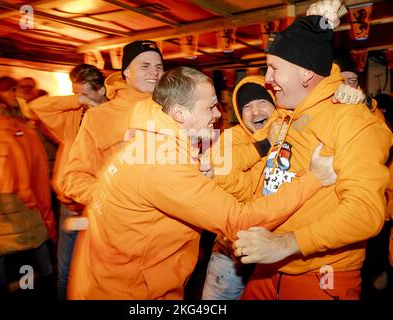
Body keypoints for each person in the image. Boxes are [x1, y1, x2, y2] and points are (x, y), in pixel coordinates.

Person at [67, 66, 337, 300]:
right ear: (180, 114)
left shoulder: (152, 138)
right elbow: (238, 222)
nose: (218, 114)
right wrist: (313, 179)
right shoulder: (163, 165)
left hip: (110, 279)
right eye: (209, 107)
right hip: (129, 290)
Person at [233, 15, 392, 300]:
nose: (266, 80)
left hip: (320, 275)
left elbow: (365, 212)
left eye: (273, 69)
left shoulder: (351, 119)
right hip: (268, 268)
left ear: (305, 73)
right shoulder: (286, 113)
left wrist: (288, 243)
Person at [0, 76, 57, 299]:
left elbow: (32, 157)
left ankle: (46, 283)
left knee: (36, 240)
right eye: (11, 90)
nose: (16, 95)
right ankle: (0, 291)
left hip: (25, 197)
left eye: (16, 90)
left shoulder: (19, 122)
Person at [27, 64, 107, 299]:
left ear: (102, 91)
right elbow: (36, 106)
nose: (79, 98)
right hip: (69, 206)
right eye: (75, 93)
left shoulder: (113, 118)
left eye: (84, 93)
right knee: (65, 270)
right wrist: (78, 101)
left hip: (95, 206)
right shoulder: (73, 117)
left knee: (95, 271)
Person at [61, 40, 164, 207]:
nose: (154, 73)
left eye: (159, 67)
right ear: (127, 72)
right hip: (124, 226)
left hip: (172, 224)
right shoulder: (99, 116)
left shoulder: (173, 110)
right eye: (145, 66)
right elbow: (74, 177)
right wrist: (110, 201)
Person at [202, 75, 278, 300]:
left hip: (275, 253)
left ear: (276, 104)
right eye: (247, 106)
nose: (255, 112)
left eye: (262, 102)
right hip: (230, 252)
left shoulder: (292, 135)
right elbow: (219, 164)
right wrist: (265, 143)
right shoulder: (233, 136)